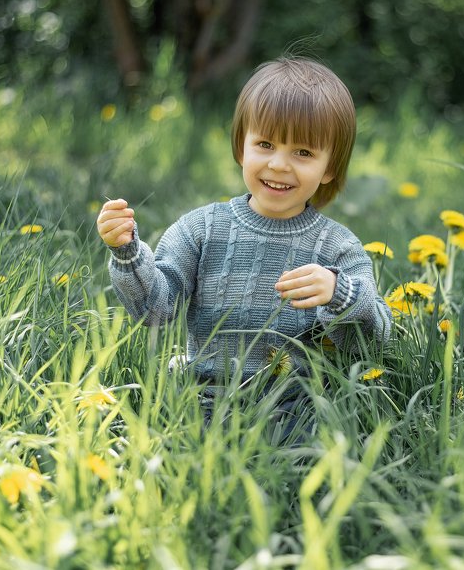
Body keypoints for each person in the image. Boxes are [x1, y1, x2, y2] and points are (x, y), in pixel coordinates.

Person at [96, 56, 392, 439]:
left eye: (303, 153)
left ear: (330, 167)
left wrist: (340, 294)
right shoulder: (201, 229)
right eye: (265, 144)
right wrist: (127, 252)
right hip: (203, 396)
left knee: (299, 452)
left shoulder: (337, 247)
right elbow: (155, 310)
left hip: (295, 406)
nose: (279, 165)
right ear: (242, 148)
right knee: (179, 444)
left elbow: (377, 340)